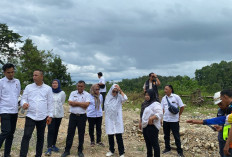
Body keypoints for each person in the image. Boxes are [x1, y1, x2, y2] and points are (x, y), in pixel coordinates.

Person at [187, 89, 232, 157]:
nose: (220, 105)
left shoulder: (230, 108)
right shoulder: (227, 109)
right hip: (224, 138)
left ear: (225, 97)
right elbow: (225, 120)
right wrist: (222, 128)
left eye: (221, 101)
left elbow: (224, 120)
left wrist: (227, 144)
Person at [20, 70, 53, 157]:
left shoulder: (48, 89)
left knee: (40, 137)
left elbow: (50, 103)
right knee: (26, 136)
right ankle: (22, 155)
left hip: (42, 117)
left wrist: (50, 116)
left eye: (36, 75)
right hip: (30, 116)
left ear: (41, 77)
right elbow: (23, 99)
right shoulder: (28, 87)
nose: (34, 77)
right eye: (33, 75)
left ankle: (38, 155)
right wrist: (23, 103)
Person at [61, 80, 90, 157]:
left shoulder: (87, 94)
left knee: (81, 134)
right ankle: (67, 150)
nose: (80, 87)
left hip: (82, 117)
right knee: (70, 133)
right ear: (77, 86)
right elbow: (70, 103)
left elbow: (86, 105)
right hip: (73, 116)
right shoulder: (72, 93)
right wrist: (81, 104)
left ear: (84, 87)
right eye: (78, 86)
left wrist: (76, 103)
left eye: (81, 86)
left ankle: (80, 151)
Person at [0, 63, 21, 157]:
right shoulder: (1, 82)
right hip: (4, 110)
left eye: (12, 72)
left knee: (11, 134)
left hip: (14, 111)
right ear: (4, 72)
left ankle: (7, 154)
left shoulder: (17, 81)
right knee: (6, 131)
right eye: (9, 73)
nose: (11, 74)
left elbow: (17, 95)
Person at [161, 85, 185, 157]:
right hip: (166, 120)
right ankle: (167, 148)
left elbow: (182, 106)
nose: (165, 90)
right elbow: (162, 109)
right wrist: (161, 118)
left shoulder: (176, 97)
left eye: (166, 89)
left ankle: (180, 152)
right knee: (166, 135)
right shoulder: (163, 98)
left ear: (170, 90)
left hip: (174, 121)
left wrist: (179, 115)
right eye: (164, 89)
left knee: (176, 136)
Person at [104, 84, 127, 157]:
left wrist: (120, 90)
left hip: (117, 119)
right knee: (110, 136)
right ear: (111, 91)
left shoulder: (119, 97)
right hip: (110, 119)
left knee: (119, 136)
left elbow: (125, 98)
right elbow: (106, 109)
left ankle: (121, 152)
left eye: (116, 92)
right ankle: (111, 150)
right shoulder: (107, 98)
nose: (115, 93)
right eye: (114, 91)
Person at [139, 89, 163, 157]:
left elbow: (160, 113)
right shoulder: (144, 103)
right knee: (148, 145)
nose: (146, 96)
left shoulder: (156, 104)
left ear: (152, 95)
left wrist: (151, 118)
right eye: (145, 95)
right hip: (145, 126)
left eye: (148, 95)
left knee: (155, 144)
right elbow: (141, 114)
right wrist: (140, 122)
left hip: (152, 126)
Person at [45, 79, 66, 156]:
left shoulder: (62, 93)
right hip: (50, 115)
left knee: (56, 130)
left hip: (59, 115)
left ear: (58, 84)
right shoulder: (49, 92)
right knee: (50, 130)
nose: (54, 84)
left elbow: (62, 102)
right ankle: (49, 147)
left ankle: (53, 145)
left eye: (56, 83)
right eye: (53, 83)